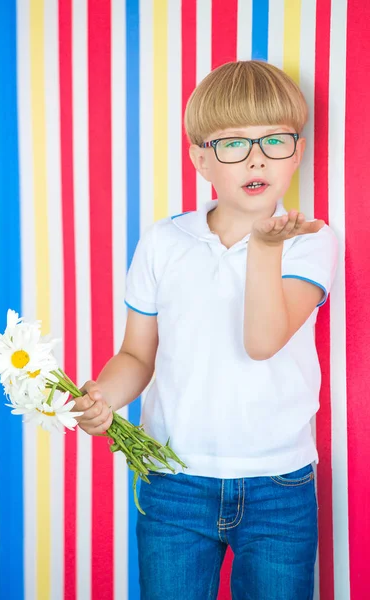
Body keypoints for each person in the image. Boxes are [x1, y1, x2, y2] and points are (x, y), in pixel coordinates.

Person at [74, 60, 338, 599]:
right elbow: (136, 355)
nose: (257, 157)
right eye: (233, 144)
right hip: (173, 483)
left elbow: (262, 342)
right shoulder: (164, 242)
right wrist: (100, 397)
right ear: (201, 160)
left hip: (279, 487)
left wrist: (265, 250)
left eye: (274, 140)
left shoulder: (311, 240)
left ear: (298, 151)